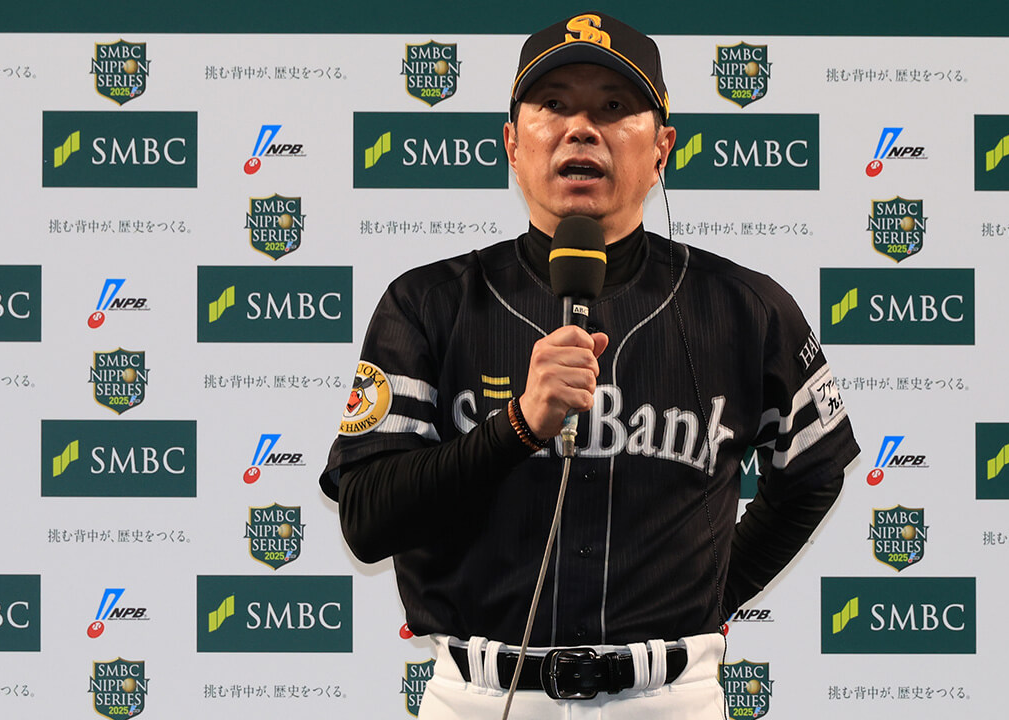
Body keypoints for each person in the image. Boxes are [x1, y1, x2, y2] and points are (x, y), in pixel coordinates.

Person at [320, 11, 859, 719]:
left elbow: (812, 476)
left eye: (613, 107)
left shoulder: (746, 306)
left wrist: (709, 592)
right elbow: (366, 520)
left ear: (662, 148)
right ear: (512, 144)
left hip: (668, 697)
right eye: (554, 104)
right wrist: (516, 426)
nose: (581, 128)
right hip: (483, 695)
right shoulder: (426, 303)